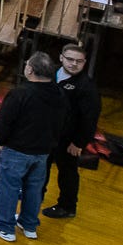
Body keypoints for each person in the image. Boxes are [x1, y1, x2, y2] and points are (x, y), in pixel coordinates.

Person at [0, 53, 65, 242]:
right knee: (34, 189)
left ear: (31, 70)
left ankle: (4, 227)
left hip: (16, 151)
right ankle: (29, 225)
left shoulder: (20, 93)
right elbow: (61, 122)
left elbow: (4, 121)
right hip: (42, 152)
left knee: (9, 188)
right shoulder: (59, 94)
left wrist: (0, 141)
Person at [44, 42, 100, 220]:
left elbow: (90, 119)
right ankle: (36, 194)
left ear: (84, 63)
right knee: (40, 166)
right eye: (69, 59)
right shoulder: (49, 74)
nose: (73, 64)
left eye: (79, 61)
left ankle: (67, 206)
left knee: (67, 172)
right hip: (46, 133)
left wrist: (79, 143)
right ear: (61, 58)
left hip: (68, 140)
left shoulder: (87, 87)